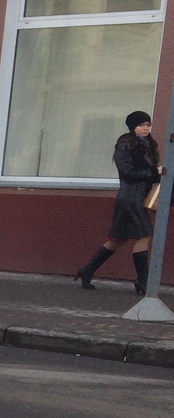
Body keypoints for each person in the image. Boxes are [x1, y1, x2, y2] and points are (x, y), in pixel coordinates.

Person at [75, 111, 165, 295]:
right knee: (145, 235)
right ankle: (143, 281)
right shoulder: (126, 144)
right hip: (130, 197)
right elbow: (127, 173)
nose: (146, 128)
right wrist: (154, 172)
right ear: (133, 127)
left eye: (148, 124)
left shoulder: (148, 144)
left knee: (118, 239)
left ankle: (87, 270)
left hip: (139, 196)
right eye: (141, 125)